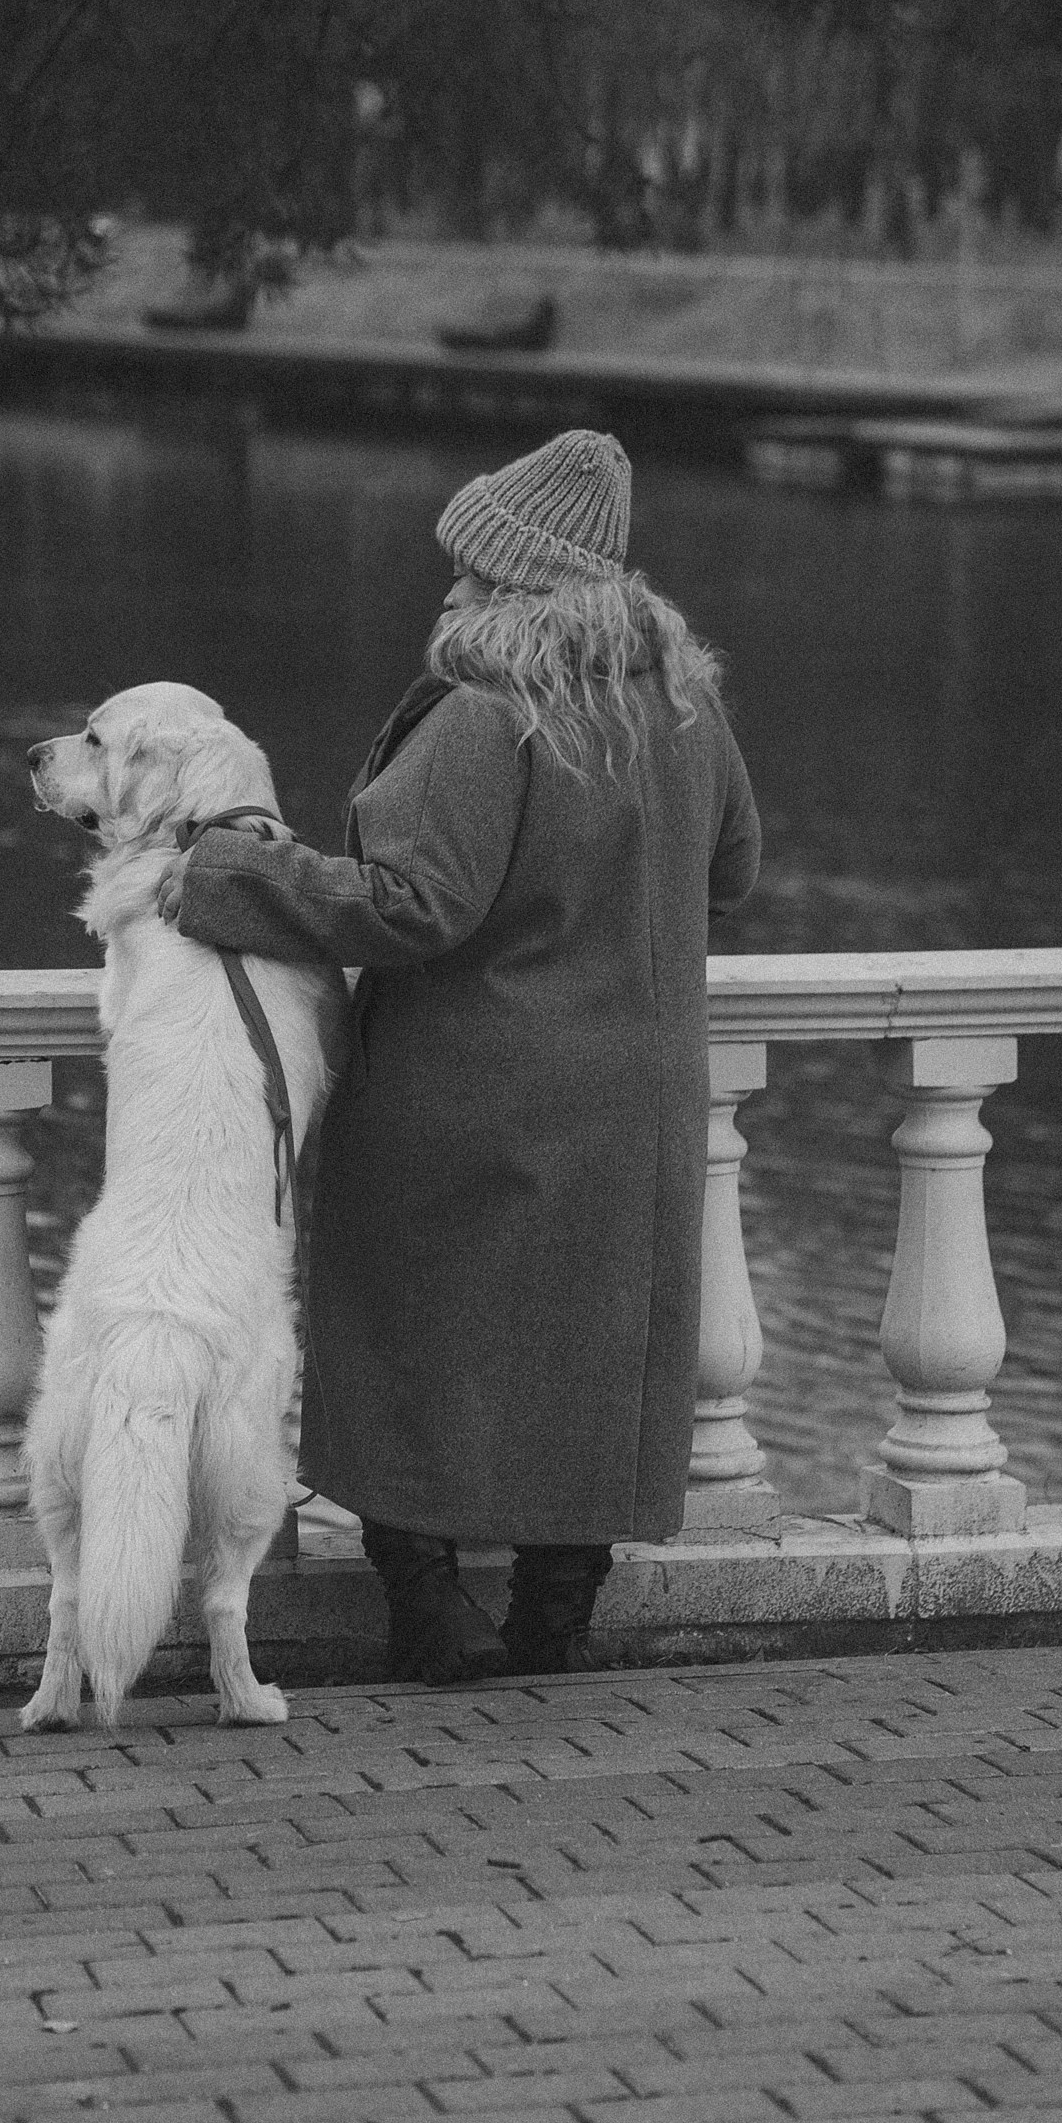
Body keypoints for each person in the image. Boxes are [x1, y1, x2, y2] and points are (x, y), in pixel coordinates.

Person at [158, 426, 761, 1683]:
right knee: (598, 1349)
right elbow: (736, 872)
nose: (447, 591)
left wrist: (223, 869)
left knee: (408, 1323)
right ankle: (555, 1619)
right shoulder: (685, 708)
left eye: (470, 573)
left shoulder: (493, 717)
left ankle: (428, 1612)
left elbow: (406, 903)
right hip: (635, 1097)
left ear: (520, 587)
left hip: (472, 1087)